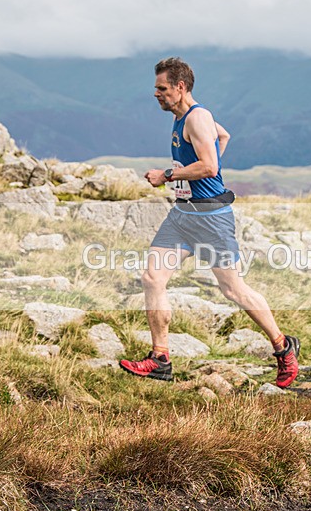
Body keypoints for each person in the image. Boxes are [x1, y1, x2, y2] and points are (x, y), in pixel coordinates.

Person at [120, 57, 300, 387]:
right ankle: (160, 359)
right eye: (156, 88)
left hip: (211, 218)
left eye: (162, 88)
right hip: (182, 216)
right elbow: (224, 135)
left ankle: (283, 346)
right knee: (152, 278)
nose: (156, 94)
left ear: (180, 87)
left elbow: (210, 167)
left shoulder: (197, 117)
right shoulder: (182, 118)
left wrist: (167, 175)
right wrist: (195, 172)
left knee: (233, 289)